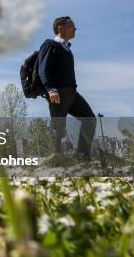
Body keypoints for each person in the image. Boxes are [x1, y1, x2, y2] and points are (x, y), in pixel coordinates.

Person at [38, 16, 96, 159]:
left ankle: (83, 155)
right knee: (58, 126)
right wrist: (51, 89)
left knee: (90, 119)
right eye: (72, 26)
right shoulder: (50, 45)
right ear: (60, 28)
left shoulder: (68, 50)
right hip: (57, 92)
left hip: (71, 92)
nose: (75, 29)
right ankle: (55, 158)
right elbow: (42, 69)